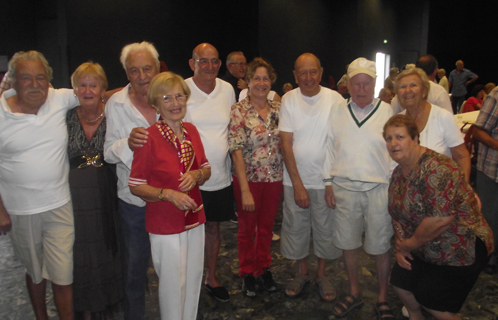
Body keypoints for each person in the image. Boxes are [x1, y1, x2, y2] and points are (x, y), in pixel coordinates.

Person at [384, 114, 494, 320]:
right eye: (388, 139)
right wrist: (401, 246)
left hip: (462, 243)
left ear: (415, 138)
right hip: (424, 244)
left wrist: (409, 245)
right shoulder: (399, 173)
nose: (393, 143)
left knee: (433, 302)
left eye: (399, 137)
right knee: (400, 285)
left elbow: (441, 219)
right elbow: (396, 214)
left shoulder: (437, 168)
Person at [0, 51, 78, 320]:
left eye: (40, 77)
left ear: (49, 81)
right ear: (12, 81)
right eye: (26, 78)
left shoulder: (59, 98)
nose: (35, 84)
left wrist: (137, 89)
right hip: (21, 211)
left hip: (60, 205)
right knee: (35, 273)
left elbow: (95, 90)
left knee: (63, 274)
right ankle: (41, 317)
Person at [128, 71, 210, 320]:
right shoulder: (148, 137)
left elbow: (206, 168)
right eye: (167, 98)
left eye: (179, 96)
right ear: (155, 104)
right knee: (173, 284)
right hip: (164, 222)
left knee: (193, 278)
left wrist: (197, 176)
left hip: (194, 216)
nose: (175, 103)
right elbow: (135, 185)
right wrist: (168, 194)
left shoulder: (192, 131)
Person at [323, 58, 395, 319]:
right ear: (348, 84)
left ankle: (383, 296)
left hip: (379, 189)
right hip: (344, 188)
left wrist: (395, 186)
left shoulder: (388, 111)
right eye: (356, 84)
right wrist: (328, 183)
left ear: (375, 85)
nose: (361, 89)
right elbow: (329, 148)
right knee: (348, 243)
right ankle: (354, 292)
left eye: (366, 84)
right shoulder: (337, 110)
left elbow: (397, 152)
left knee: (381, 245)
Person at [279, 53, 343, 302]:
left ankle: (322, 274)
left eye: (313, 71)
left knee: (326, 230)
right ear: (294, 75)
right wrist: (298, 185)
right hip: (295, 179)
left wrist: (332, 182)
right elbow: (286, 144)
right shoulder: (289, 100)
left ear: (321, 71)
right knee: (297, 229)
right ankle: (302, 271)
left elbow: (340, 142)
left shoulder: (335, 99)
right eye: (302, 72)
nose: (308, 77)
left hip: (327, 180)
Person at [104, 41, 160, 320]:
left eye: (147, 68)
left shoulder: (171, 97)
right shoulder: (116, 103)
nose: (141, 76)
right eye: (134, 70)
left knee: (173, 268)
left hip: (169, 201)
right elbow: (107, 152)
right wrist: (128, 143)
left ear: (158, 68)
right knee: (134, 270)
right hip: (133, 203)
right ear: (126, 73)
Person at [68, 62, 122, 320]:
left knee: (105, 247)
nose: (88, 90)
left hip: (107, 194)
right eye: (82, 84)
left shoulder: (114, 115)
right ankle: (85, 308)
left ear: (103, 89)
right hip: (73, 196)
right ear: (75, 89)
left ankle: (107, 305)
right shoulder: (64, 115)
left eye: (94, 84)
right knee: (80, 250)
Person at [184, 43, 236, 302]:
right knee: (188, 232)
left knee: (213, 229)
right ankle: (188, 280)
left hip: (220, 177)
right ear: (192, 63)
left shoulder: (227, 89)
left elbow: (232, 128)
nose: (209, 66)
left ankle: (211, 277)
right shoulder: (181, 88)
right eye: (203, 61)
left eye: (214, 61)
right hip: (188, 178)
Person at [229, 58, 283, 297]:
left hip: (274, 178)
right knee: (246, 228)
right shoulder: (239, 111)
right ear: (247, 82)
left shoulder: (279, 110)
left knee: (266, 228)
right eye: (256, 78)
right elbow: (236, 149)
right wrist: (244, 189)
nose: (261, 83)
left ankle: (263, 267)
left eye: (266, 78)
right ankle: (248, 271)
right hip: (248, 178)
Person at [394, 67, 471, 183]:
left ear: (424, 91)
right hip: (405, 193)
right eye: (402, 87)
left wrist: (464, 190)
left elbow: (462, 156)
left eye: (413, 85)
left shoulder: (443, 117)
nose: (407, 90)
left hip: (439, 193)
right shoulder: (396, 122)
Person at [473, 86, 498, 274]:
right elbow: (477, 131)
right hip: (492, 170)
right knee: (489, 218)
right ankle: (486, 257)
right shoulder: (496, 95)